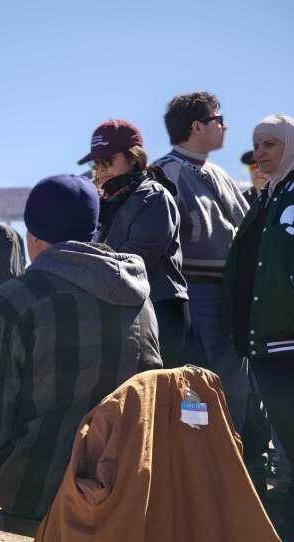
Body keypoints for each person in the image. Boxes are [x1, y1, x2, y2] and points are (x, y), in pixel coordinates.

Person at [0, 175, 162, 541]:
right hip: (118, 478)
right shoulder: (140, 299)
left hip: (35, 483)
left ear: (32, 236)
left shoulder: (15, 301)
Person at [152, 91, 250, 431]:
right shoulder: (163, 173)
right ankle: (206, 464)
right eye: (218, 120)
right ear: (197, 126)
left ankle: (239, 461)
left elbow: (246, 225)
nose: (224, 126)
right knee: (203, 384)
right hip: (196, 293)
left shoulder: (221, 174)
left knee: (238, 384)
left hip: (233, 291)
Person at [224, 113, 294, 530]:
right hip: (266, 348)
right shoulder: (267, 200)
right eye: (256, 147)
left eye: (270, 144)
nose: (260, 154)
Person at [79, 119, 189, 367]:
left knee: (164, 397)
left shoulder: (154, 195)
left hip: (160, 311)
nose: (100, 168)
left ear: (134, 157)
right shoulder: (104, 203)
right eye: (95, 162)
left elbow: (136, 263)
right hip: (121, 312)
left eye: (107, 160)